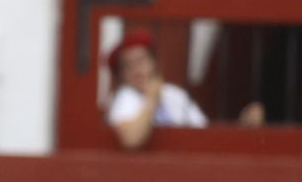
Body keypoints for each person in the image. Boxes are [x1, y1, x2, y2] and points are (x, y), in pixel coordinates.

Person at [106, 29, 265, 150]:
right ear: (123, 76)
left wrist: (242, 129)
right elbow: (131, 139)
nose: (136, 70)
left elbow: (204, 136)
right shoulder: (125, 98)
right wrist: (151, 98)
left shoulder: (175, 95)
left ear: (154, 62)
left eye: (141, 60)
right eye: (128, 66)